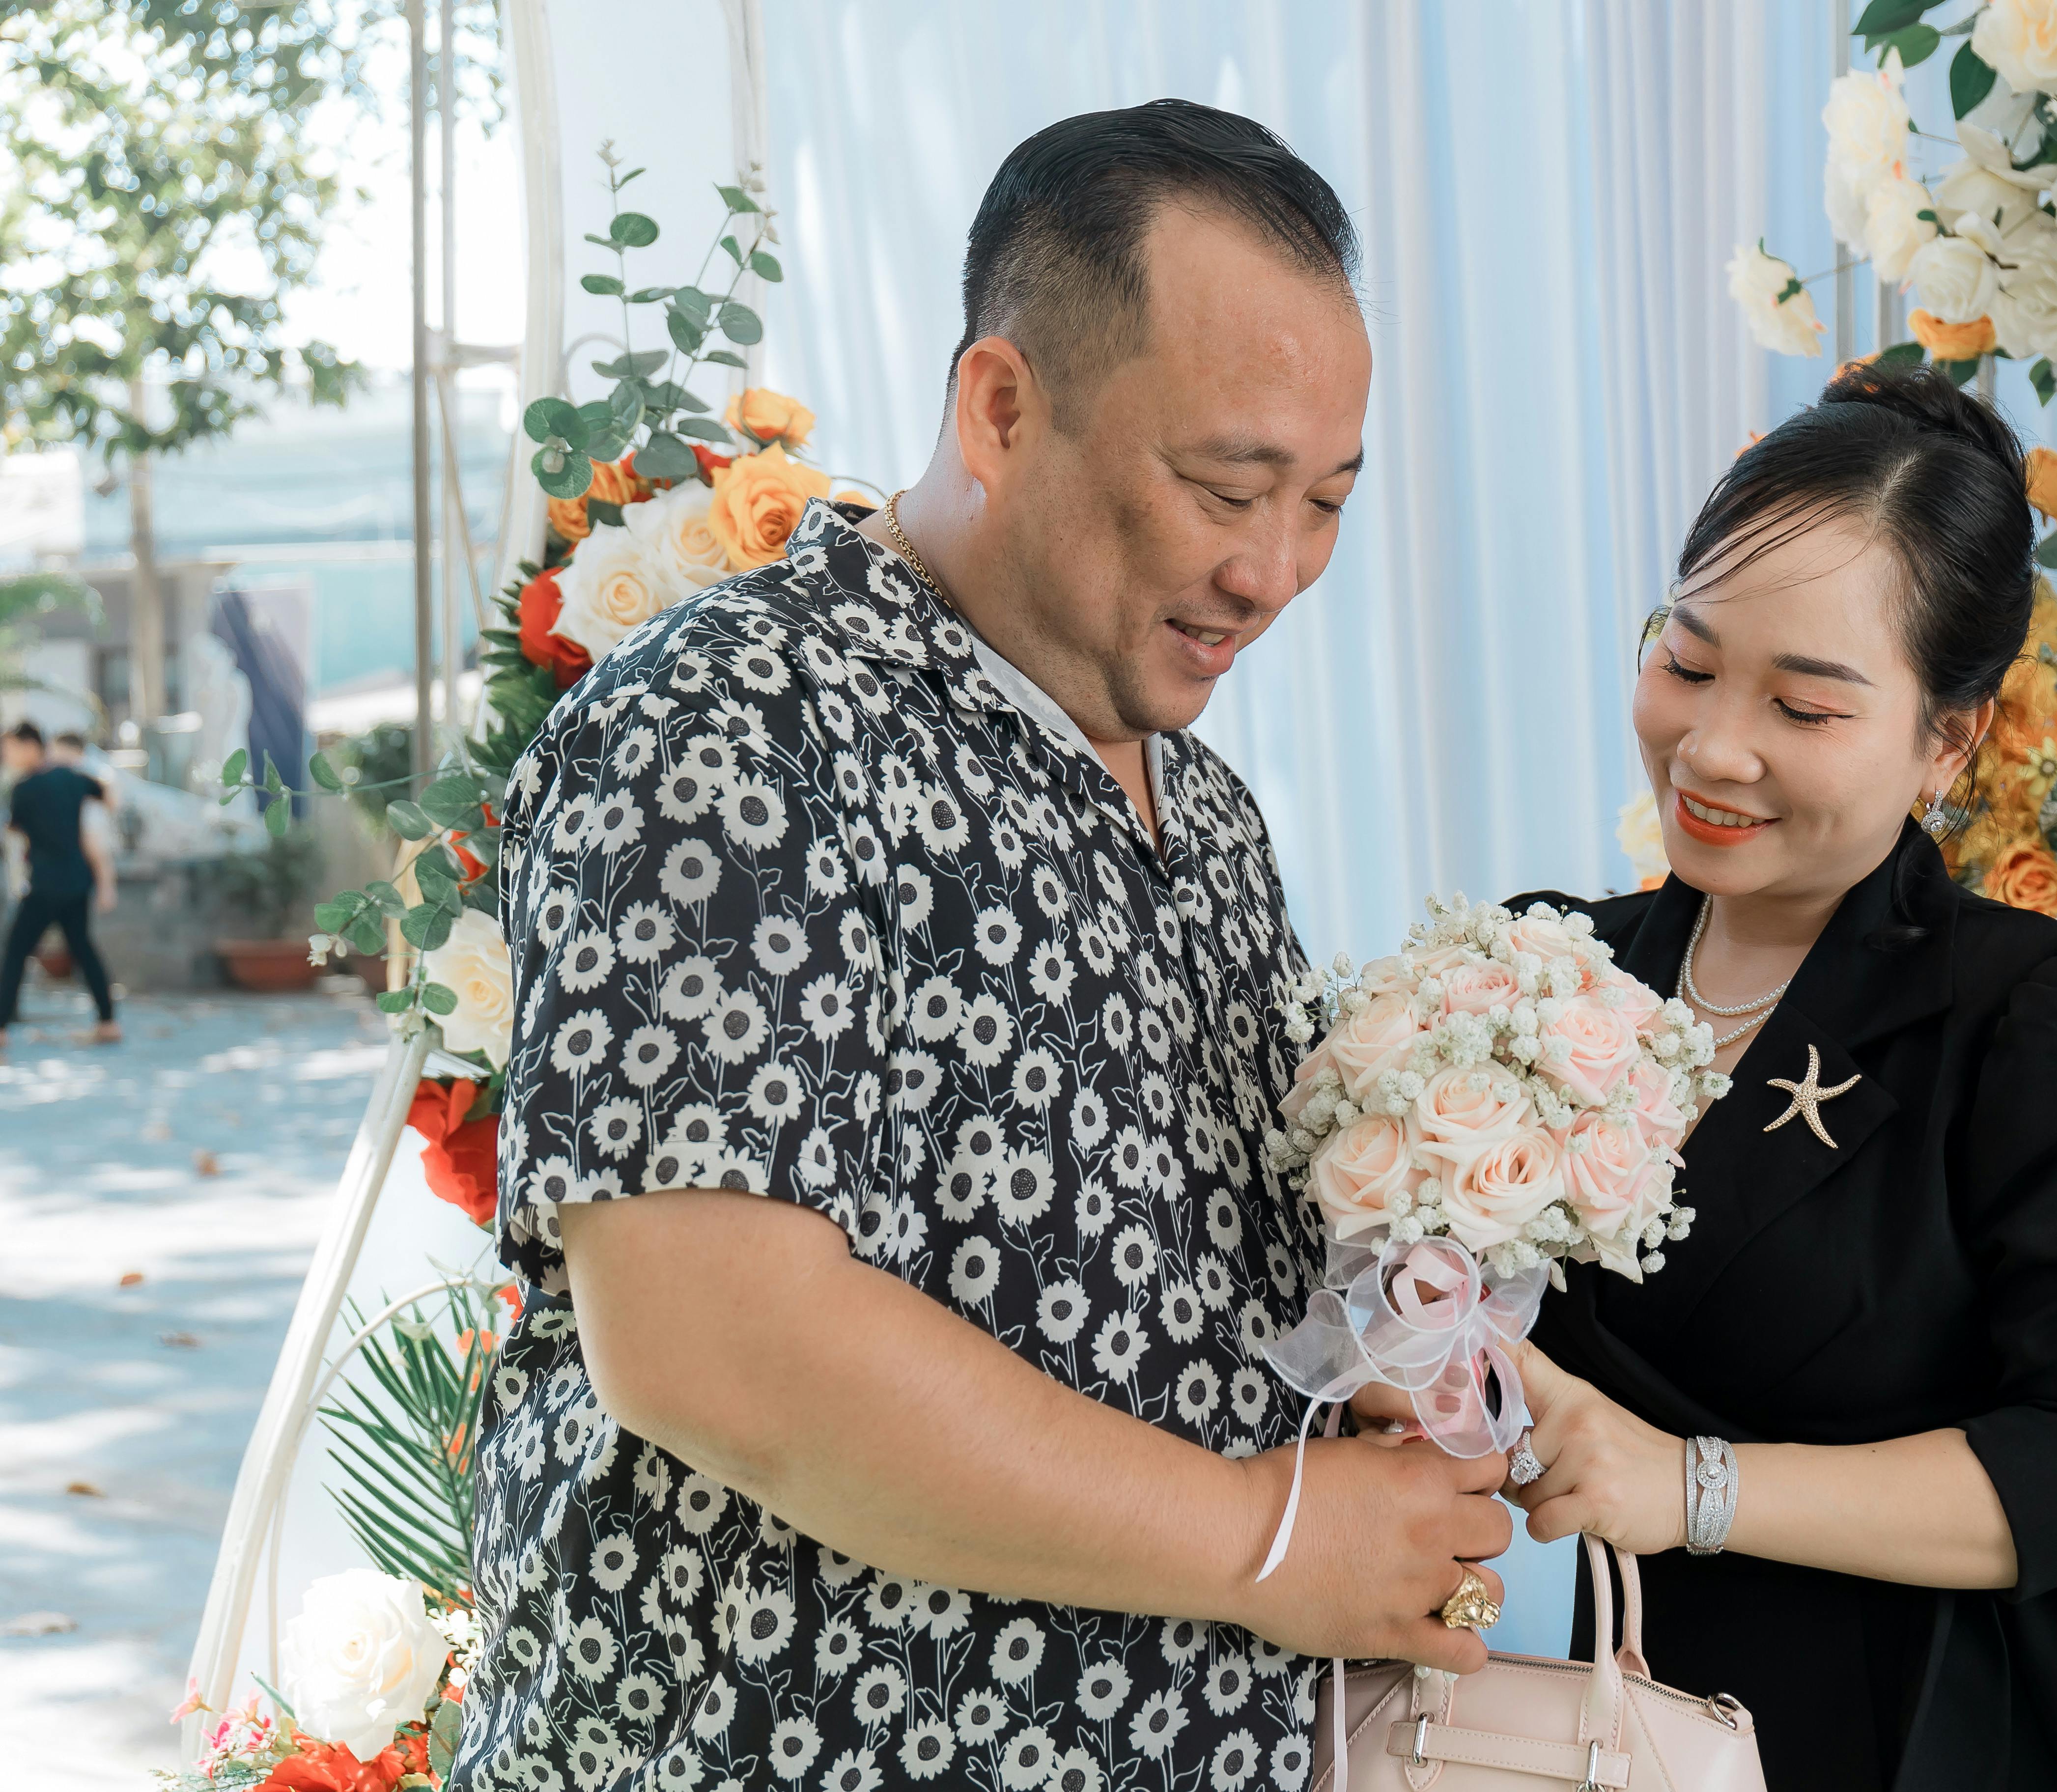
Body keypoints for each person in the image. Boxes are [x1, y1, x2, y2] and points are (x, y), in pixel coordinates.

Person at [455, 102, 1511, 1792]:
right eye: (1227, 486)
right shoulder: (737, 724)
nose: (1276, 569)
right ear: (1003, 406)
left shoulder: (1209, 809)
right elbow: (717, 1342)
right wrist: (1261, 1527)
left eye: (1325, 500)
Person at [1384, 364, 2057, 1790]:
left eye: (1807, 708)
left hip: (1965, 1736)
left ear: (1945, 739)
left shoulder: (2046, 1017)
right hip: (1639, 1732)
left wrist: (1686, 1485)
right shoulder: (1548, 971)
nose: (1713, 749)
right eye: (1689, 663)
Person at [0, 721, 121, 1053]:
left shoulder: (23, 789)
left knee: (14, 953)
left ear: (30, 746)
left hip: (44, 885)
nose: (6, 755)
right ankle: (108, 1022)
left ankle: (1, 1029)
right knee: (83, 948)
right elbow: (108, 795)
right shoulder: (72, 778)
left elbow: (15, 830)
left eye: (9, 748)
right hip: (77, 882)